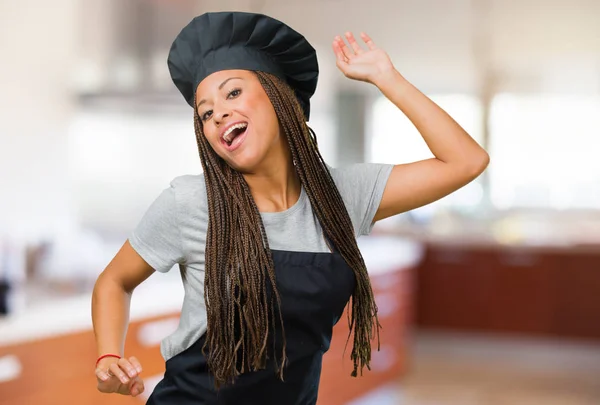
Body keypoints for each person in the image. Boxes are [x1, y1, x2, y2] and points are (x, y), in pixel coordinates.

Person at [91, 11, 489, 404]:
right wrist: (109, 355)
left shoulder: (340, 197)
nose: (219, 115)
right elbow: (114, 281)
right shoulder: (191, 203)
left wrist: (388, 79)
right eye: (206, 113)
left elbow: (465, 161)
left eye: (232, 93)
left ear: (279, 96)